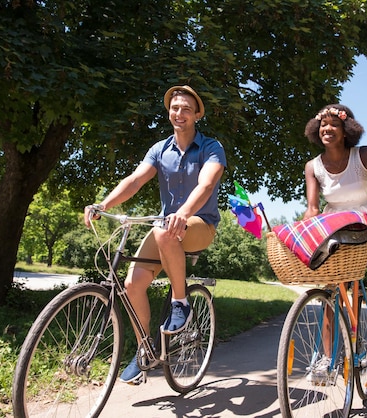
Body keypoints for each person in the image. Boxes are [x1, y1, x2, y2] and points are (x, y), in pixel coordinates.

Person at [84, 85, 226, 383]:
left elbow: (206, 185)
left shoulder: (211, 147)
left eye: (186, 109)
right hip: (166, 227)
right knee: (132, 284)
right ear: (169, 112)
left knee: (164, 231)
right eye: (175, 108)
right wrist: (103, 204)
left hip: (200, 224)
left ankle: (181, 304)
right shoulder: (159, 149)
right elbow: (135, 180)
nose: (179, 113)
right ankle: (145, 350)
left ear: (197, 114)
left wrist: (184, 213)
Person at [302, 104, 367, 359]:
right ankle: (326, 360)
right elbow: (313, 208)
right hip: (335, 225)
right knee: (331, 291)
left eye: (334, 124)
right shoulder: (312, 167)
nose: (327, 129)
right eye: (323, 125)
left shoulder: (363, 155)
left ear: (346, 129)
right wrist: (305, 224)